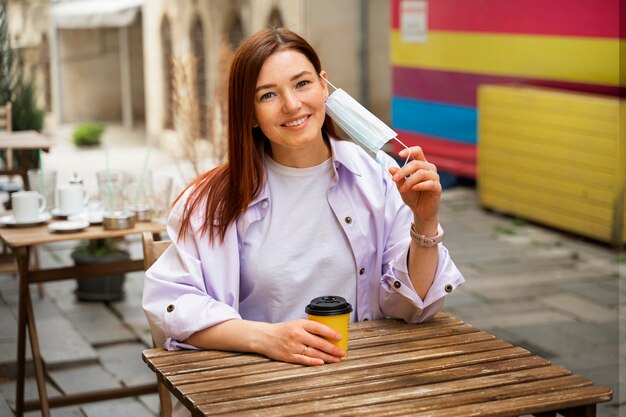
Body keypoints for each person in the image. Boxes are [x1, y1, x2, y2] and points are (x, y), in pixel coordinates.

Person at [144, 25, 463, 381]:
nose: (292, 105)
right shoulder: (212, 202)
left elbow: (412, 307)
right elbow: (171, 305)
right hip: (259, 383)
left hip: (365, 377)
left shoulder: (378, 178)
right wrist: (267, 338)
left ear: (324, 86)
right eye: (268, 95)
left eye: (302, 84)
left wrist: (425, 219)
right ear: (249, 113)